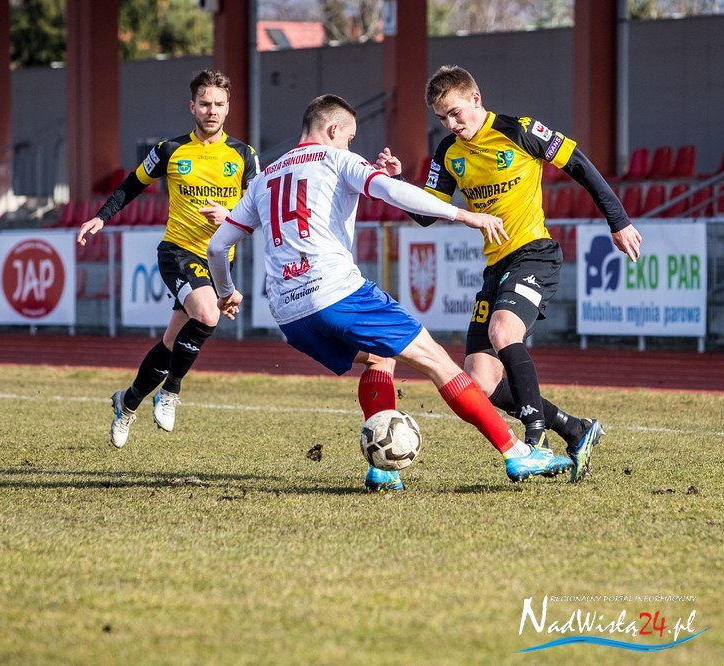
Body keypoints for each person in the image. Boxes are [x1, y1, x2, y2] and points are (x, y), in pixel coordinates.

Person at [206, 94, 573, 491]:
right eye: (350, 138)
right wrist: (462, 214)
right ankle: (517, 453)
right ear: (333, 130)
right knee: (438, 361)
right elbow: (392, 193)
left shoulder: (265, 177)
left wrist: (226, 291)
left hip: (288, 313)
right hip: (336, 292)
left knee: (379, 358)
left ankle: (383, 471)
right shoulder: (338, 159)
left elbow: (216, 246)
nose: (350, 145)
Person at [401, 65, 643, 482]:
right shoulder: (447, 152)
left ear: (476, 99)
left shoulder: (520, 131)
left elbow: (579, 164)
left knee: (502, 331)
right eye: (442, 118)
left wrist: (617, 221)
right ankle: (575, 429)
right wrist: (396, 182)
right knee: (480, 380)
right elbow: (426, 214)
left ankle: (535, 439)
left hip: (534, 254)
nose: (451, 124)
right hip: (495, 267)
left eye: (456, 113)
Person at [77, 69, 258, 448]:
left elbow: (260, 207)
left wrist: (230, 217)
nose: (212, 110)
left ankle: (127, 403)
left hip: (218, 260)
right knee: (207, 315)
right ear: (192, 106)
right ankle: (170, 391)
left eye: (219, 104)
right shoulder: (170, 150)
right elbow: (133, 184)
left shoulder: (244, 155)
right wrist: (101, 216)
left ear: (228, 107)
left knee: (172, 343)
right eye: (205, 103)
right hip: (178, 251)